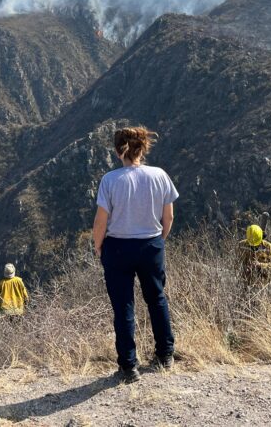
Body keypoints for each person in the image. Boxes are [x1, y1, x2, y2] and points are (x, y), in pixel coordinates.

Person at [93, 127, 179, 383]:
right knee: (157, 299)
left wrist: (99, 246)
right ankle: (165, 354)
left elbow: (101, 221)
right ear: (143, 148)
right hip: (151, 245)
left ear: (119, 151)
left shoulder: (111, 180)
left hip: (118, 248)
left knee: (123, 306)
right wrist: (158, 240)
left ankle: (129, 366)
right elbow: (169, 216)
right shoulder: (159, 175)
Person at [236, 224, 271, 289]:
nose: (254, 246)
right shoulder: (241, 245)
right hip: (245, 283)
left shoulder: (269, 247)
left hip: (263, 284)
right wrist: (245, 268)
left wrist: (260, 265)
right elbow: (236, 263)